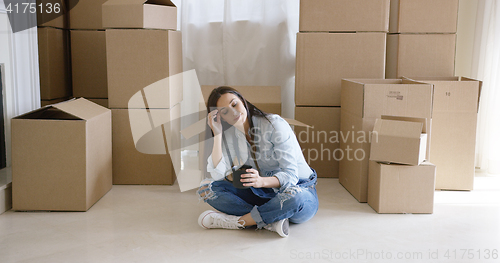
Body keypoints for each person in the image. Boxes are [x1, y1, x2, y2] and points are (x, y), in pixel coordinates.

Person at [197, 86, 318, 238]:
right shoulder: (231, 135)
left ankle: (241, 222)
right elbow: (217, 174)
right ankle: (271, 219)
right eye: (225, 112)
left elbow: (291, 176)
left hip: (300, 189)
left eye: (234, 104)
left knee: (295, 198)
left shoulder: (273, 124)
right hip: (264, 194)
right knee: (209, 190)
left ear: (243, 101)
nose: (233, 112)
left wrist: (261, 181)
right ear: (221, 118)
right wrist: (217, 134)